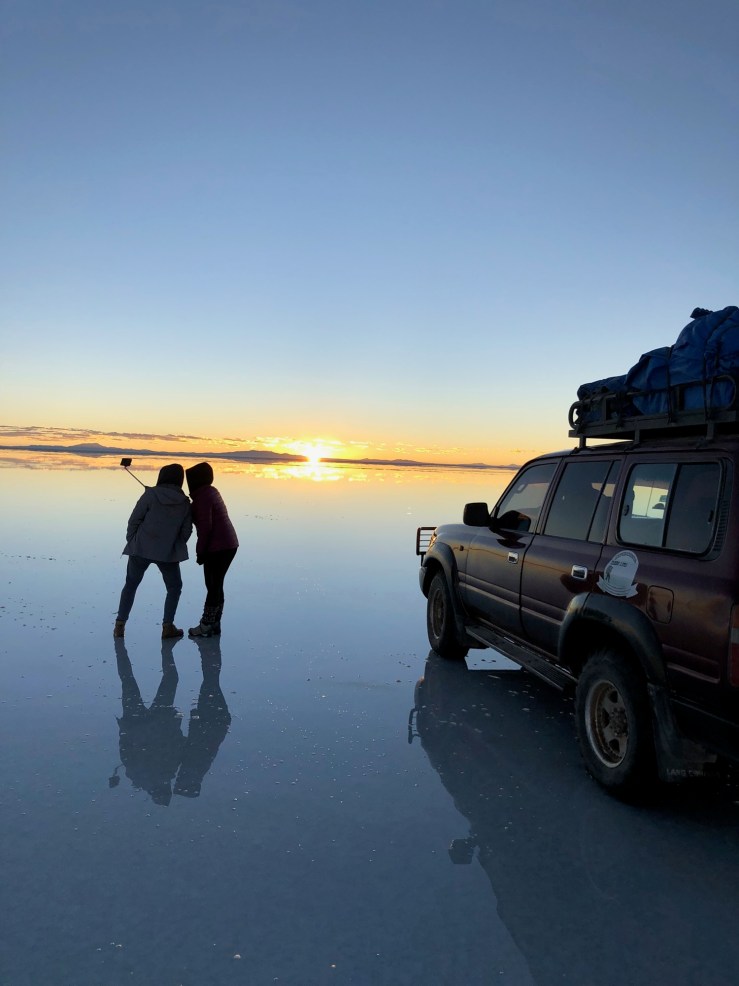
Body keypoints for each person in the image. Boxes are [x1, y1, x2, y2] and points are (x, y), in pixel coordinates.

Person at [114, 463, 193, 639]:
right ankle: (167, 626)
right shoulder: (185, 503)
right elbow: (186, 531)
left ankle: (120, 625)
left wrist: (133, 541)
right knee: (174, 587)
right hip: (168, 553)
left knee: (131, 585)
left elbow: (134, 520)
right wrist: (173, 545)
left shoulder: (150, 495)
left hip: (140, 548)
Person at [185, 462, 239, 637]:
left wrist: (200, 552)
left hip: (219, 547)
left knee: (213, 585)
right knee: (217, 584)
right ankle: (215, 622)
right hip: (229, 544)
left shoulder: (203, 497)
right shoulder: (210, 492)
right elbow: (200, 514)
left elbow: (205, 529)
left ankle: (207, 624)